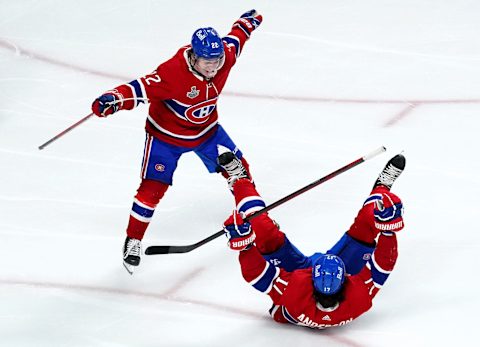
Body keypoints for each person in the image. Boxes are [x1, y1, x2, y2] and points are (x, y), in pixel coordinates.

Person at [90, 10, 263, 273]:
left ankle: (253, 219)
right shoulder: (171, 73)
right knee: (152, 190)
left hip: (207, 132)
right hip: (165, 139)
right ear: (194, 55)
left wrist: (246, 23)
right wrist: (112, 99)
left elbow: (236, 39)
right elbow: (138, 89)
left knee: (240, 169)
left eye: (216, 60)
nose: (213, 66)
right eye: (207, 61)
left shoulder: (224, 58)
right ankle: (133, 240)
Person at [219, 152, 406, 329]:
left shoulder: (294, 291)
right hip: (319, 289)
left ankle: (241, 182)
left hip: (296, 282)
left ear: (312, 279)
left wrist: (246, 244)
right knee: (373, 216)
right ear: (344, 282)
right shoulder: (357, 297)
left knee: (258, 223)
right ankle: (382, 189)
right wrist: (388, 230)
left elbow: (257, 274)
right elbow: (384, 264)